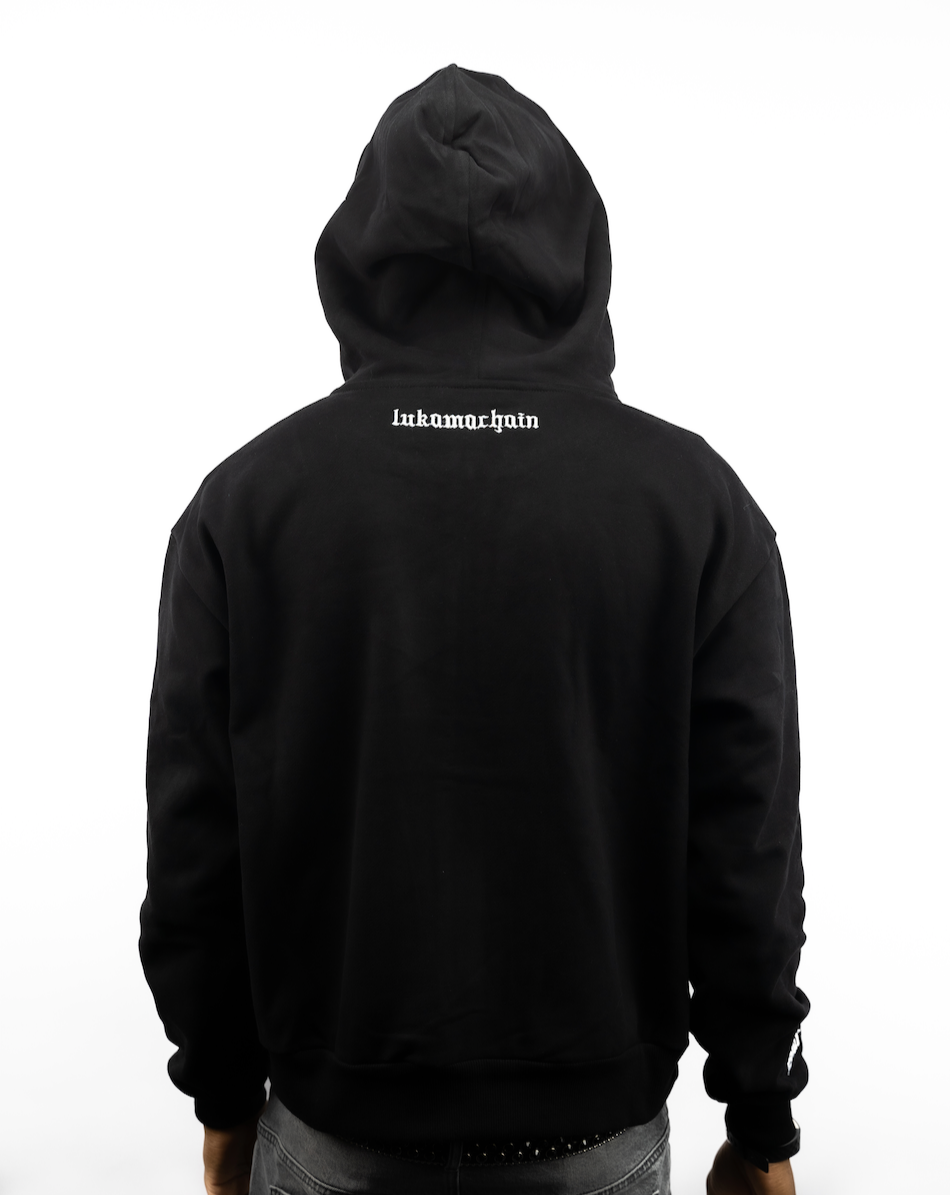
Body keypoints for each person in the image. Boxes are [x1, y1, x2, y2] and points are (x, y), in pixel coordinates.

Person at [140, 65, 808, 1195]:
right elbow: (744, 849)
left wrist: (221, 1096)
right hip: (593, 1141)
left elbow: (194, 845)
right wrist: (760, 1118)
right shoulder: (691, 502)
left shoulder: (247, 503)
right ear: (576, 248)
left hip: (331, 1133)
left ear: (360, 258)